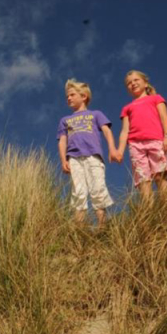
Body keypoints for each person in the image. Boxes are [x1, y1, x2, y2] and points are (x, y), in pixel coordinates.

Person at [57, 78, 116, 226]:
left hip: (93, 156)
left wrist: (112, 148)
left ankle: (103, 226)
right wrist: (63, 160)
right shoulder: (65, 120)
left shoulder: (96, 114)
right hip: (74, 159)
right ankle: (79, 228)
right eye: (67, 96)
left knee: (98, 189)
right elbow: (62, 140)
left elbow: (107, 131)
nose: (68, 98)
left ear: (83, 96)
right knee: (78, 192)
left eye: (72, 95)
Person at [112, 69, 167, 201]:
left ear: (145, 83)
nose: (132, 83)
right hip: (135, 146)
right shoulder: (127, 108)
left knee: (159, 176)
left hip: (155, 141)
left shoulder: (156, 98)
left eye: (136, 80)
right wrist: (120, 151)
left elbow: (164, 117)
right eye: (129, 83)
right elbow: (124, 131)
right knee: (143, 181)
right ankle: (148, 214)